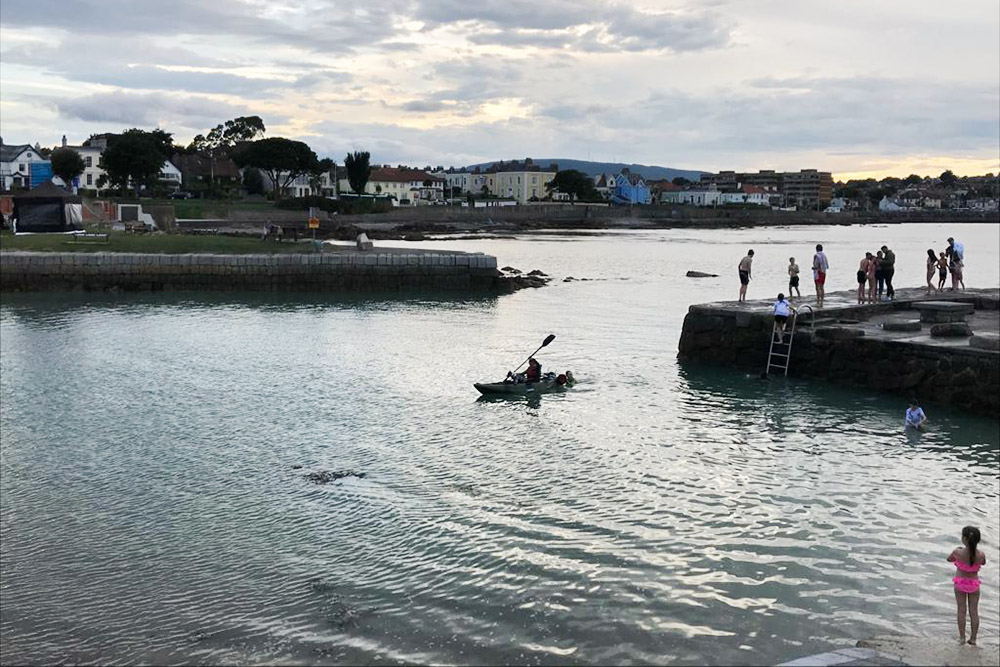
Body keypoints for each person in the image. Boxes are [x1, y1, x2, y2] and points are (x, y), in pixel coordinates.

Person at [947, 526, 985, 645]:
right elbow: (983, 562)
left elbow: (949, 559)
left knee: (961, 610)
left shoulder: (958, 552)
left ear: (964, 539)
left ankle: (962, 638)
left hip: (960, 584)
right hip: (974, 585)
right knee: (974, 612)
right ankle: (973, 639)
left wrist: (956, 553)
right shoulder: (981, 554)